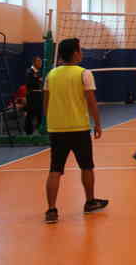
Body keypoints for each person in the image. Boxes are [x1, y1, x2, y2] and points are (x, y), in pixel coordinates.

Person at [43, 38, 107, 224]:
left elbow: (46, 103)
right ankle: (90, 202)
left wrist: (51, 123)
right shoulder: (84, 73)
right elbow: (91, 102)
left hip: (57, 129)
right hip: (79, 128)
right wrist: (98, 124)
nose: (82, 52)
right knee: (87, 166)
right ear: (74, 53)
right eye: (80, 50)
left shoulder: (51, 75)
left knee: (55, 169)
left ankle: (51, 210)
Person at [24, 56, 44, 135]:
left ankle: (40, 131)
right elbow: (30, 83)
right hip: (32, 96)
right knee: (30, 114)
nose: (40, 63)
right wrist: (39, 80)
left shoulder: (39, 72)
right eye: (38, 61)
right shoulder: (30, 71)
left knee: (39, 114)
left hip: (38, 96)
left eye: (41, 61)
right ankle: (28, 133)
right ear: (34, 62)